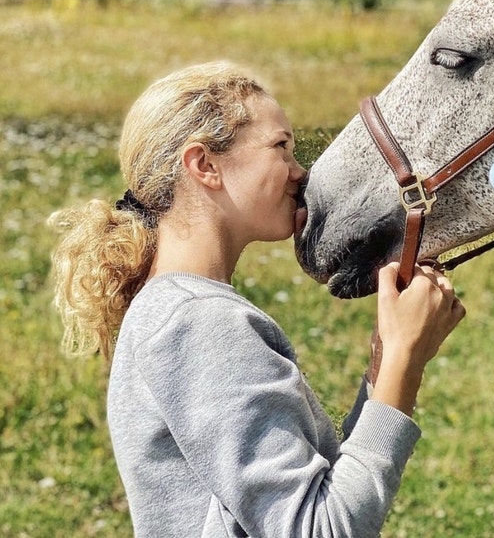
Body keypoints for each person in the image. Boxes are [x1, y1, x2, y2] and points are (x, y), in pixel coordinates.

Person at [49, 61, 466, 538]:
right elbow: (321, 529)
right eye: (280, 147)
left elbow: (324, 489)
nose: (299, 171)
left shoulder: (178, 310)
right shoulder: (197, 322)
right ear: (204, 165)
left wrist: (388, 358)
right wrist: (404, 364)